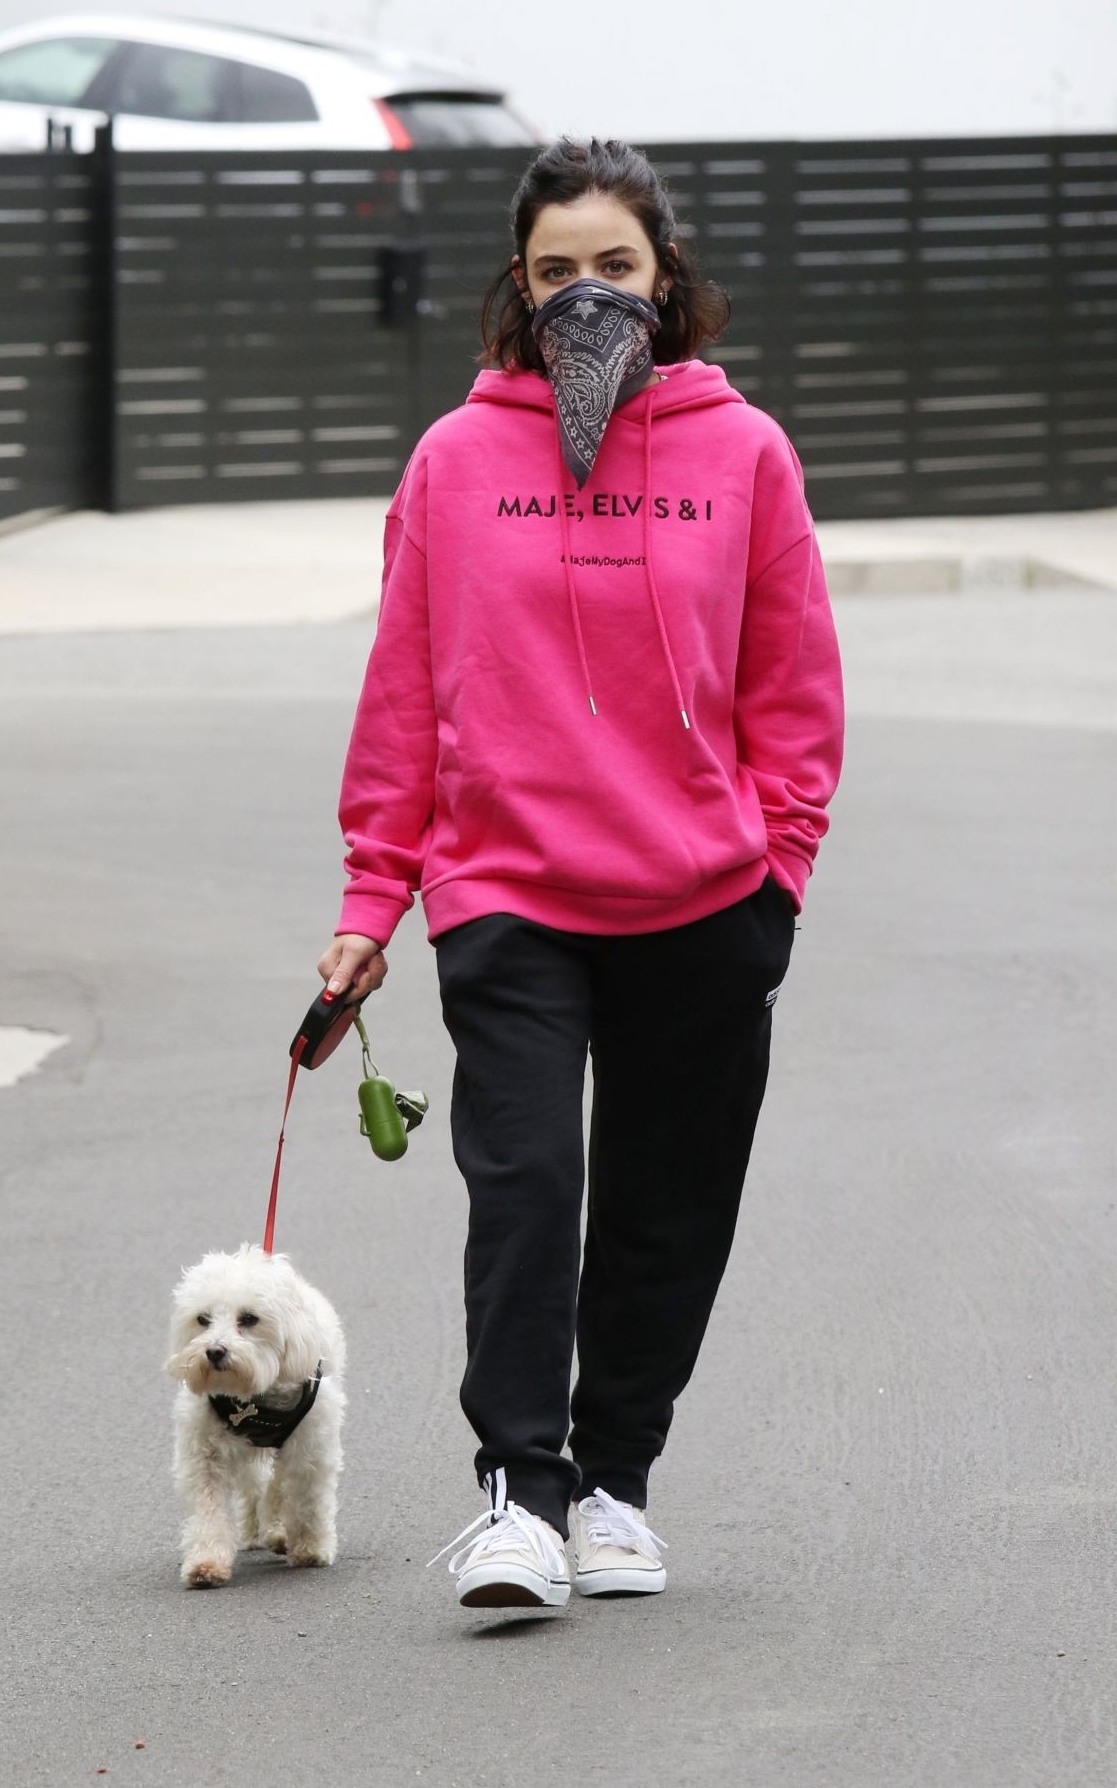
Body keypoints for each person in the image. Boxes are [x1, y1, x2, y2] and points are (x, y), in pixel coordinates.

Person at [317, 136, 844, 1611]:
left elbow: (794, 687)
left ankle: (615, 1485)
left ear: (663, 279)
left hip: (702, 899)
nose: (586, 297)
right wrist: (374, 901)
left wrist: (776, 871)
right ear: (518, 285)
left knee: (668, 1210)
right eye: (557, 272)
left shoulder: (742, 453)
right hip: (507, 892)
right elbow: (406, 694)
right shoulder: (455, 459)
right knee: (531, 1187)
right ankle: (520, 1501)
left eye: (615, 267)